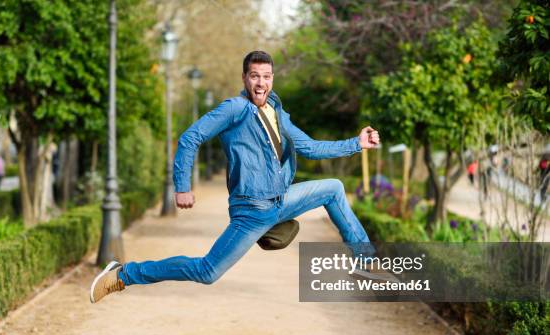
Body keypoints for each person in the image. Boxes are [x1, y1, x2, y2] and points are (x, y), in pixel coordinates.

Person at [90, 51, 381, 303]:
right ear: (245, 78)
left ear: (272, 79)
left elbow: (310, 148)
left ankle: (364, 261)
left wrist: (356, 144)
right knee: (207, 272)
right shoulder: (235, 109)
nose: (260, 83)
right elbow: (190, 138)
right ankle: (124, 274)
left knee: (333, 188)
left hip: (281, 200)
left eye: (266, 76)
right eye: (254, 76)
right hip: (251, 212)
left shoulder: (279, 114)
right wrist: (182, 186)